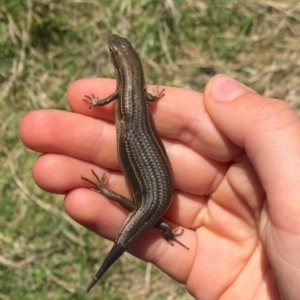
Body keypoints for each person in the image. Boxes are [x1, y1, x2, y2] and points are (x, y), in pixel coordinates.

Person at [19, 74, 300, 299]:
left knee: (143, 214)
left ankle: (105, 227)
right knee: (145, 214)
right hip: (158, 194)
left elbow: (144, 214)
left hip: (156, 199)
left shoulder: (156, 219)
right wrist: (160, 227)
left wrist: (110, 194)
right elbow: (146, 216)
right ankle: (110, 211)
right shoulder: (155, 218)